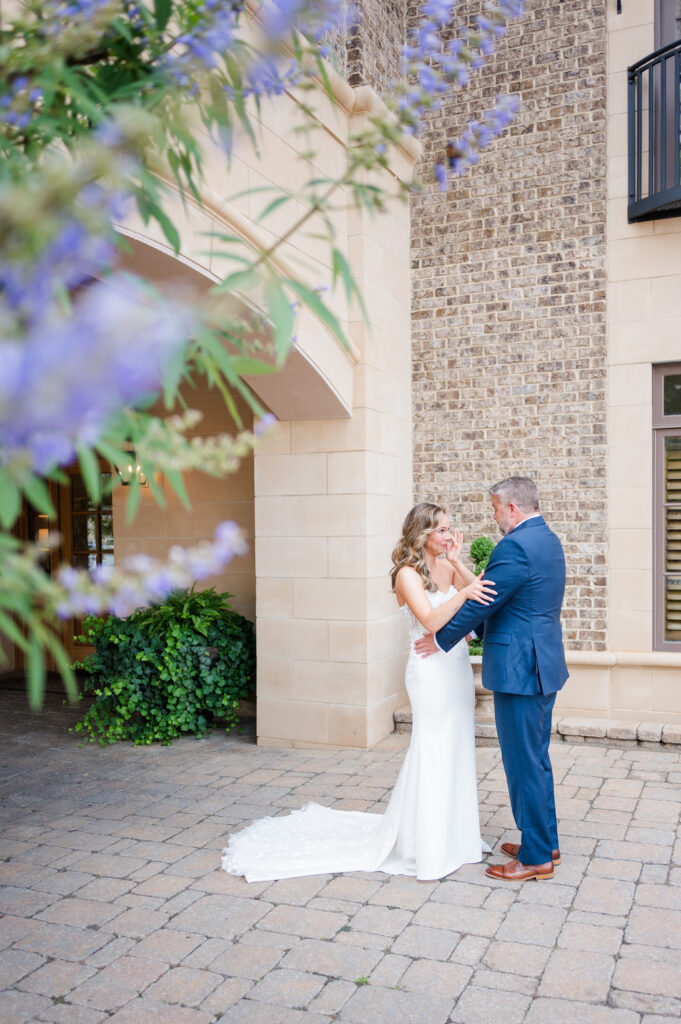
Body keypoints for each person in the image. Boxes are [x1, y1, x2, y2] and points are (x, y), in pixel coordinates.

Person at [221, 502, 496, 882]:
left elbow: (479, 593)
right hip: (430, 672)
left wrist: (458, 560)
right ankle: (426, 846)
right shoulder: (406, 574)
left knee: (457, 746)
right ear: (422, 534)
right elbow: (432, 620)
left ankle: (458, 838)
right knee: (432, 748)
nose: (449, 536)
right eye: (442, 531)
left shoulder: (447, 565)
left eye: (450, 529)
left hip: (456, 668)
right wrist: (464, 596)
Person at [414, 477, 568, 882]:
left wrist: (440, 638)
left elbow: (484, 599)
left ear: (512, 509)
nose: (494, 515)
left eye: (496, 508)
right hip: (542, 664)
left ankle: (536, 857)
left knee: (523, 763)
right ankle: (544, 840)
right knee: (536, 759)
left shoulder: (515, 546)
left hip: (521, 670)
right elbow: (509, 599)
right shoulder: (547, 539)